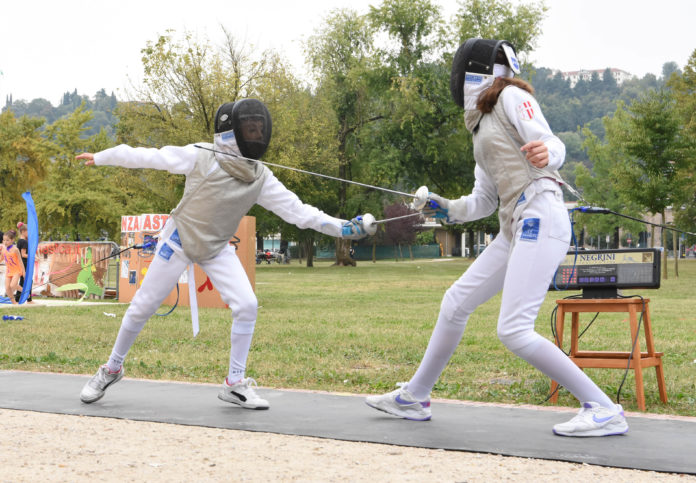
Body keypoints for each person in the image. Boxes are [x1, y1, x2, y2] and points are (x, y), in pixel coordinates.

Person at [365, 39, 628, 437]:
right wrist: (445, 208)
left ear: (472, 71)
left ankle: (604, 408)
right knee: (455, 303)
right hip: (515, 225)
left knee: (514, 329)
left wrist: (549, 155)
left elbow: (551, 141)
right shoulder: (481, 126)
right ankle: (414, 397)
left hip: (540, 214)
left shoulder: (509, 97)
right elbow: (483, 202)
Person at [76, 98, 373, 409]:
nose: (257, 135)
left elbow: (299, 212)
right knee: (141, 307)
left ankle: (234, 383)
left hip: (217, 248)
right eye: (250, 129)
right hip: (179, 242)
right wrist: (102, 156)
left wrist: (344, 229)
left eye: (260, 129)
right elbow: (150, 156)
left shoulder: (260, 177)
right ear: (230, 133)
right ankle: (112, 368)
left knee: (247, 305)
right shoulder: (200, 156)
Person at [2, 230, 25, 305]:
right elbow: (1, 258)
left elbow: (20, 261)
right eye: (4, 240)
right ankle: (14, 303)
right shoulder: (3, 249)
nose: (5, 242)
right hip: (9, 271)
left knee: (13, 286)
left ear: (12, 240)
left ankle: (24, 290)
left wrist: (24, 272)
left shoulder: (15, 249)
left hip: (16, 270)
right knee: (7, 288)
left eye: (7, 240)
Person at [15, 222, 33, 303]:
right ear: (23, 231)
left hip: (21, 263)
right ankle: (29, 300)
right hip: (24, 263)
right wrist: (32, 256)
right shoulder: (24, 242)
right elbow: (23, 254)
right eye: (28, 231)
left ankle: (17, 299)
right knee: (28, 280)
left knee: (22, 281)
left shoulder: (19, 241)